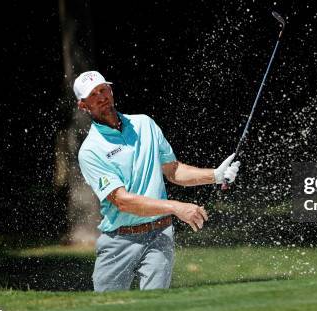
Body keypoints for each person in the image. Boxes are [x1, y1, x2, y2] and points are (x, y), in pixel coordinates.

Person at [73, 71, 240, 292]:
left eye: (103, 89)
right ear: (83, 105)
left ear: (111, 91)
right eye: (93, 95)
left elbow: (173, 170)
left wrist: (215, 175)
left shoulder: (144, 124)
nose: (102, 96)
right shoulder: (91, 150)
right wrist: (175, 207)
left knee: (156, 309)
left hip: (159, 236)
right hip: (119, 241)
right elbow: (122, 201)